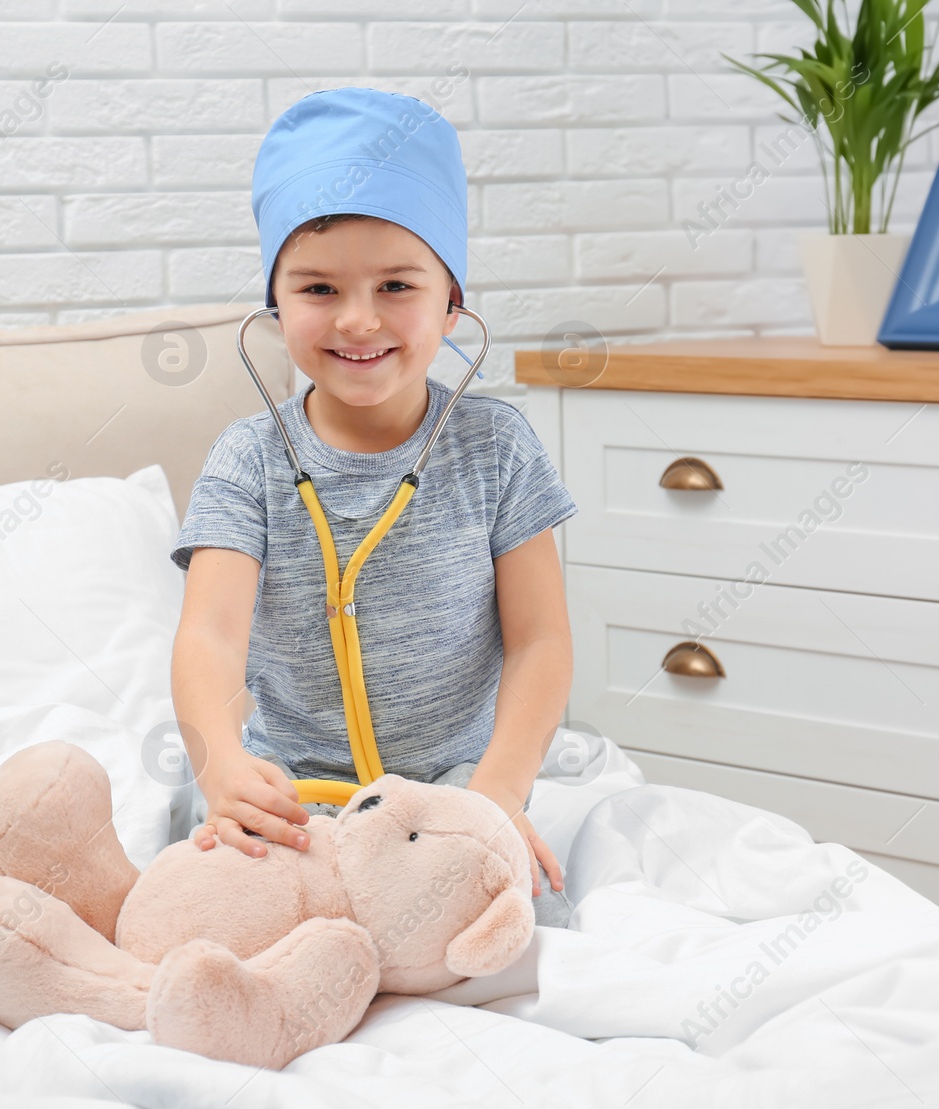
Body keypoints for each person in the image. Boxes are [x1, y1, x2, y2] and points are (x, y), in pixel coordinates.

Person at [168, 87, 579, 927]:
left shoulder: (497, 449)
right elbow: (208, 634)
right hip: (291, 799)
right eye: (319, 288)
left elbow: (542, 639)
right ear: (277, 306)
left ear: (452, 300)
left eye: (397, 283)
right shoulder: (248, 460)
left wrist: (498, 791)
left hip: (452, 801)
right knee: (215, 920)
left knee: (504, 926)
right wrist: (221, 770)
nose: (359, 319)